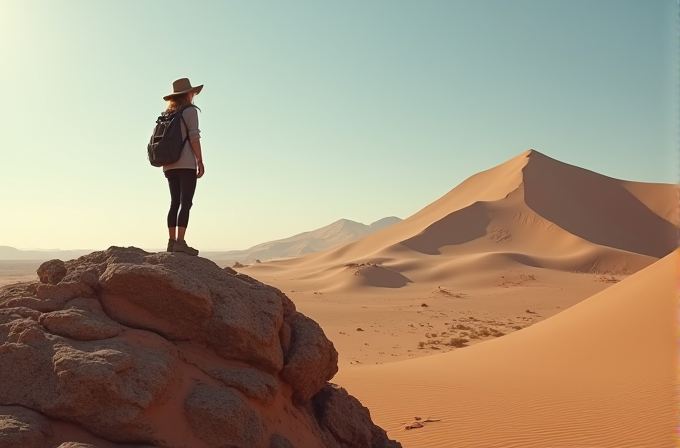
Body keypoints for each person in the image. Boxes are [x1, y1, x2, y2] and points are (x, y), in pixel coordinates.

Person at [161, 78, 204, 256]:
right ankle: (180, 242)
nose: (193, 95)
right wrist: (199, 161)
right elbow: (194, 137)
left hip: (168, 164)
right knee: (185, 203)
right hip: (185, 163)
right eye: (192, 92)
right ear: (188, 94)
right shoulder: (190, 111)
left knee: (174, 203)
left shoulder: (167, 114)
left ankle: (171, 242)